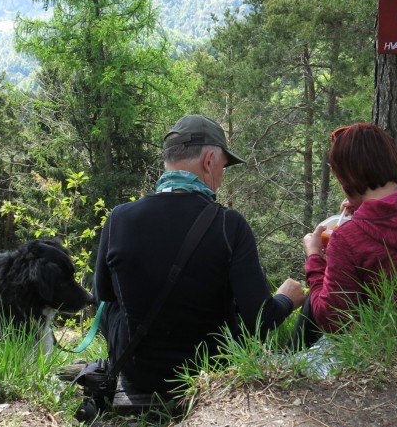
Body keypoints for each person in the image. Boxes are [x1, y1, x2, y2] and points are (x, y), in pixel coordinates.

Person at [93, 114, 305, 400]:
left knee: (112, 304)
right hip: (207, 371)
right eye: (223, 167)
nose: (221, 177)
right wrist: (287, 299)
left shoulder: (119, 218)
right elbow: (261, 321)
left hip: (139, 375)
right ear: (209, 161)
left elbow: (102, 296)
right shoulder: (229, 226)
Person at [296, 123, 397, 343]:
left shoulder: (347, 238)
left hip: (392, 347)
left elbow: (332, 320)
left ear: (343, 179)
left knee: (312, 303)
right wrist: (367, 208)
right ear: (392, 158)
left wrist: (315, 257)